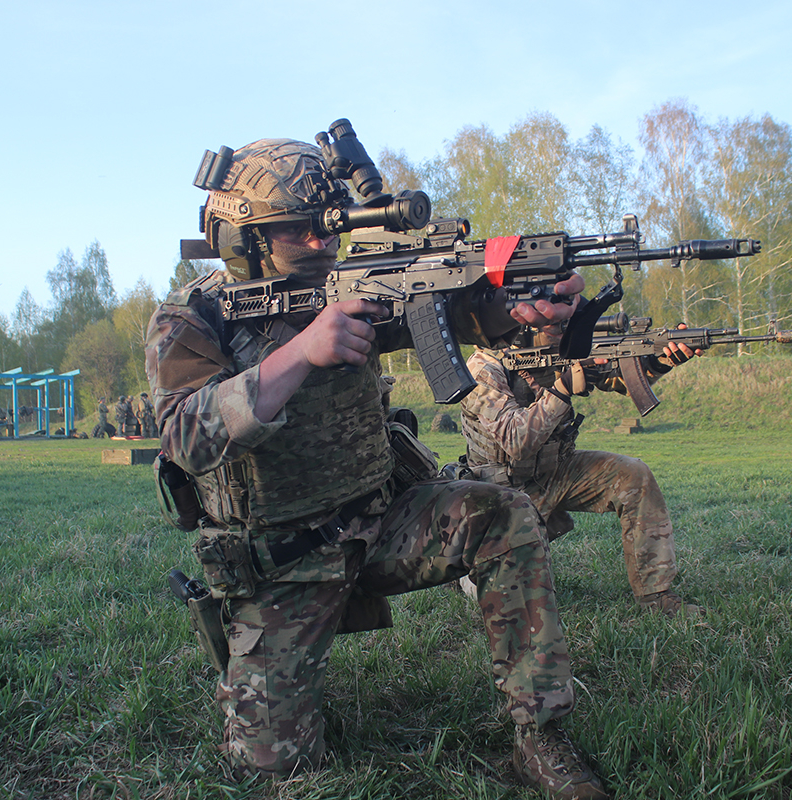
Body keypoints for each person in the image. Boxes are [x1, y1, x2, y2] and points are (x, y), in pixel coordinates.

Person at [146, 137, 609, 799]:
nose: (320, 241)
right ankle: (248, 651)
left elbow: (457, 310)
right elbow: (187, 437)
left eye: (329, 224)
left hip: (383, 518)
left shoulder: (355, 286)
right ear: (242, 236)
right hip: (286, 558)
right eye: (298, 229)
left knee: (504, 513)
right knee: (274, 763)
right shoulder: (193, 317)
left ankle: (542, 737)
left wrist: (519, 304)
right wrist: (305, 350)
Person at [457, 328, 702, 617]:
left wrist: (660, 361)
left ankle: (657, 597)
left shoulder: (561, 349)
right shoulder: (482, 368)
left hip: (556, 470)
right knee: (517, 601)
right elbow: (515, 440)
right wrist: (561, 390)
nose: (560, 325)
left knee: (633, 475)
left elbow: (617, 376)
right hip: (505, 491)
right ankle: (466, 570)